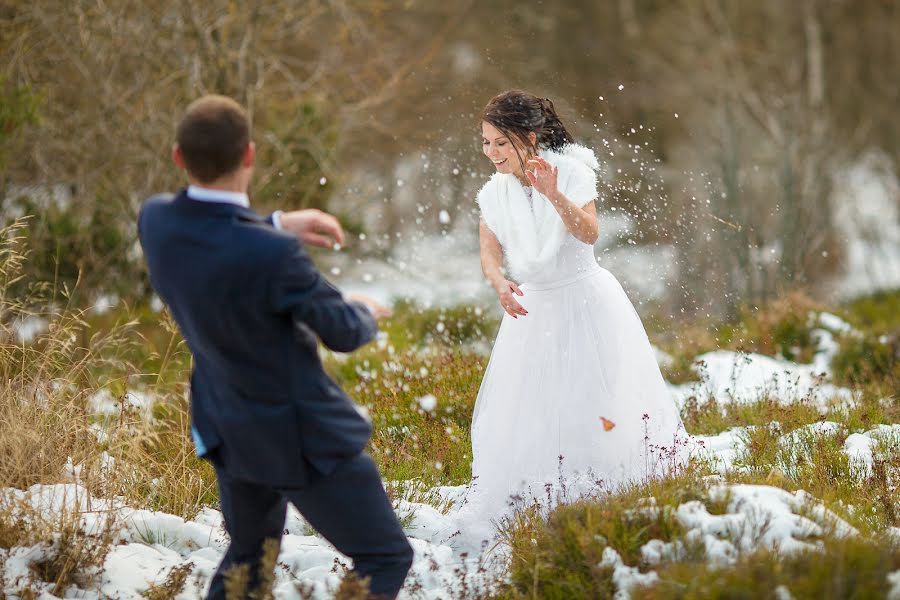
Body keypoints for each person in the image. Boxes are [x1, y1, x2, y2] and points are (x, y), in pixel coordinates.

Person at [138, 95, 413, 599]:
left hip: (229, 427)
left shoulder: (156, 222)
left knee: (249, 559)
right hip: (302, 437)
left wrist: (279, 221)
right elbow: (343, 333)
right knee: (386, 556)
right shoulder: (275, 257)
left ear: (178, 157)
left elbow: (216, 235)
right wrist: (363, 311)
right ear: (249, 155)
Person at [458, 90, 688, 547]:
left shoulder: (573, 171)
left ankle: (604, 492)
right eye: (485, 143)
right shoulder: (494, 193)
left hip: (586, 303)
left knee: (589, 398)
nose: (491, 153)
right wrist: (500, 283)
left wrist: (553, 195)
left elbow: (589, 233)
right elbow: (489, 252)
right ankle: (538, 493)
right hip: (532, 311)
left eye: (501, 143)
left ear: (529, 138)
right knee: (533, 403)